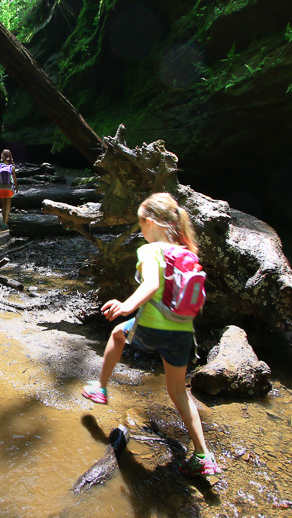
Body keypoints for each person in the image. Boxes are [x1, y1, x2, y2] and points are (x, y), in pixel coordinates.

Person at [82, 192, 222, 477]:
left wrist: (127, 306)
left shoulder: (150, 250)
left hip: (153, 328)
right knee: (179, 393)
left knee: (118, 334)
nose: (142, 232)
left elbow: (151, 283)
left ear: (148, 222)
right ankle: (203, 456)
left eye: (140, 226)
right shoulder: (187, 253)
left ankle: (100, 388)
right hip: (183, 334)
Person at [0, 149, 18, 228]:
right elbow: (15, 179)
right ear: (10, 156)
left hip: (1, 189)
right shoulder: (12, 167)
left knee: (3, 206)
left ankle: (4, 220)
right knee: (8, 207)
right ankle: (5, 223)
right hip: (9, 189)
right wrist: (16, 187)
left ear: (2, 156)